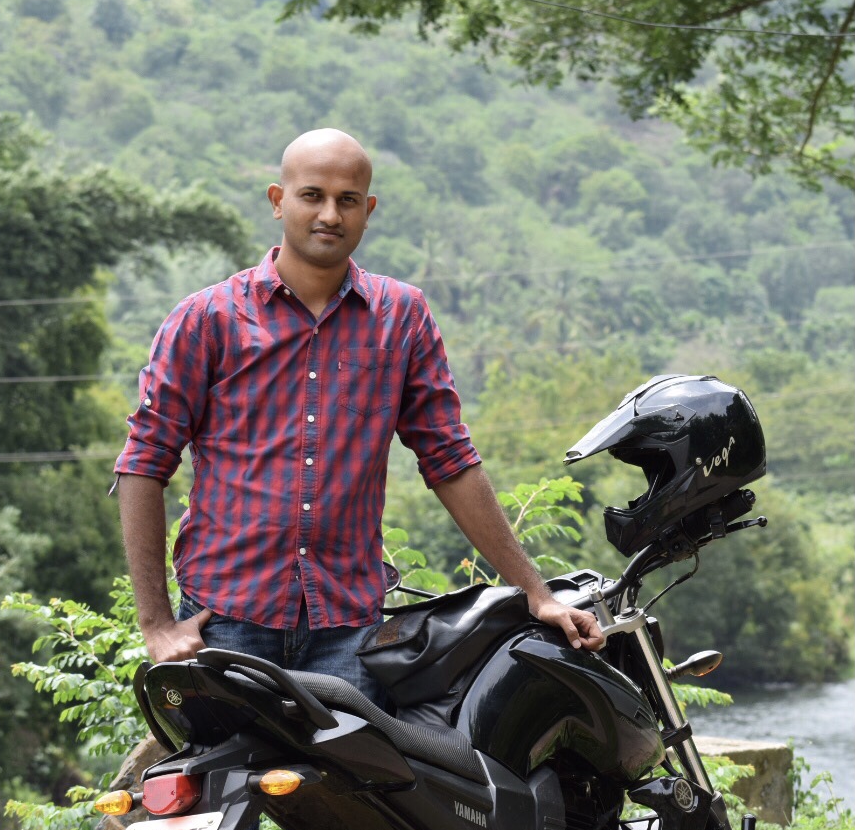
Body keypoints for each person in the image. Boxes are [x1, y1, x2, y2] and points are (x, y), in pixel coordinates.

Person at [114, 128, 605, 704]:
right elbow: (144, 462)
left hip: (347, 631)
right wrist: (156, 624)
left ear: (368, 210)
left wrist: (537, 594)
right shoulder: (208, 319)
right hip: (225, 623)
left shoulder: (402, 317)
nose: (330, 214)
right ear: (278, 201)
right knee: (223, 768)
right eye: (312, 195)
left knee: (362, 769)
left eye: (347, 200)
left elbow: (449, 460)